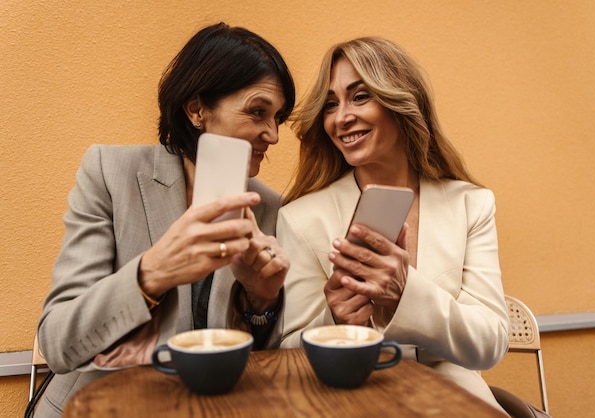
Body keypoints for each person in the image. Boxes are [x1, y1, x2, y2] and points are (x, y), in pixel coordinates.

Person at [34, 22, 295, 418]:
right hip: (96, 407)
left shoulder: (270, 208)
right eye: (258, 112)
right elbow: (57, 342)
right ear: (196, 110)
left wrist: (260, 300)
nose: (273, 134)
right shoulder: (110, 172)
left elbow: (266, 359)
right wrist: (152, 273)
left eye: (278, 118)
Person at [277, 37, 509, 412]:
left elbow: (490, 343)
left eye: (360, 96)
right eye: (331, 104)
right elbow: (287, 352)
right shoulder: (301, 218)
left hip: (455, 400)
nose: (341, 117)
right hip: (349, 403)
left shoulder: (470, 204)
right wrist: (335, 321)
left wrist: (405, 294)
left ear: (401, 101)